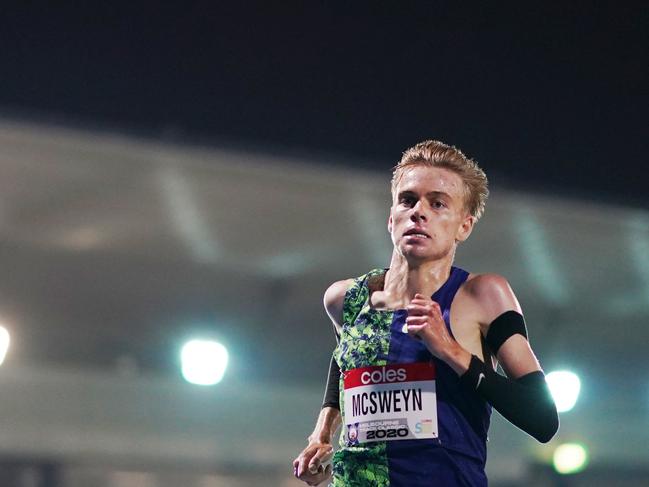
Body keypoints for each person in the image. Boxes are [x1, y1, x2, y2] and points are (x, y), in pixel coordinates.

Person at [293, 140, 559, 486]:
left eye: (438, 204)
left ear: (464, 226)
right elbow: (344, 363)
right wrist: (321, 434)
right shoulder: (344, 299)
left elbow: (542, 419)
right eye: (408, 200)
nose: (419, 212)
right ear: (391, 219)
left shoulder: (482, 295)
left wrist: (450, 350)